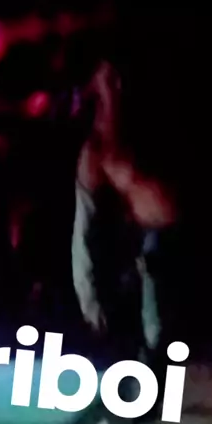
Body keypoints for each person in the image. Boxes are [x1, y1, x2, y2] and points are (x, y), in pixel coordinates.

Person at [70, 38, 190, 396]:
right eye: (109, 80)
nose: (118, 85)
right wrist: (89, 293)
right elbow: (85, 228)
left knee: (157, 331)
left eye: (118, 78)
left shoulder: (139, 132)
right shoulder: (97, 151)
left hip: (155, 247)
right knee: (146, 333)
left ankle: (146, 385)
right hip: (136, 255)